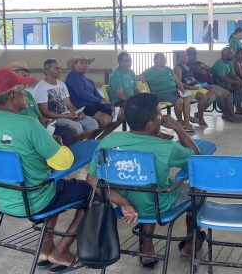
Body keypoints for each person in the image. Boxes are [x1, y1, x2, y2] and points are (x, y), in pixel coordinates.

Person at [0, 68, 91, 270]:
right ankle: (60, 250)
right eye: (22, 90)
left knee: (55, 186)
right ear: (12, 96)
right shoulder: (29, 124)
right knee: (92, 193)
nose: (26, 93)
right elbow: (63, 163)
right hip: (36, 199)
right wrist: (58, 145)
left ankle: (45, 251)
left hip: (4, 199)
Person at [87, 93, 203, 267]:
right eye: (159, 114)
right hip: (158, 204)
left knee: (146, 188)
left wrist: (123, 202)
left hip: (123, 203)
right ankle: (189, 243)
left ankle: (147, 246)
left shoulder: (108, 141)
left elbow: (91, 178)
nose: (162, 117)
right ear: (150, 125)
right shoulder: (168, 148)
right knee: (198, 192)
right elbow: (197, 158)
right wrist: (178, 128)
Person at [34, 59, 99, 145]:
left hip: (67, 114)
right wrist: (65, 116)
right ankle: (74, 148)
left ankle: (86, 145)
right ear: (47, 71)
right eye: (56, 68)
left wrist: (77, 113)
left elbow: (69, 104)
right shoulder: (41, 87)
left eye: (60, 68)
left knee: (92, 123)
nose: (59, 70)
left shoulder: (61, 84)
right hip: (54, 118)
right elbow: (45, 112)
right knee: (77, 127)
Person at [65, 54, 122, 139]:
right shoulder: (72, 75)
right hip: (83, 107)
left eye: (86, 63)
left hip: (94, 106)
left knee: (120, 116)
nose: (85, 65)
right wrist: (99, 101)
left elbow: (97, 95)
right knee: (106, 119)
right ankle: (91, 138)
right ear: (74, 65)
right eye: (82, 63)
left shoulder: (89, 81)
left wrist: (108, 103)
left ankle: (100, 138)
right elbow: (81, 93)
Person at [141, 53, 195, 132]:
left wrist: (183, 91)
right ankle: (180, 121)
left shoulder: (168, 69)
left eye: (164, 58)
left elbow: (178, 82)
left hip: (173, 91)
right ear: (155, 61)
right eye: (161, 59)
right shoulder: (150, 71)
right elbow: (138, 77)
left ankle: (186, 122)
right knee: (179, 100)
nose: (164, 60)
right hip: (160, 94)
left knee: (186, 97)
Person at [187, 47, 241, 122]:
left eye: (195, 54)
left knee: (227, 94)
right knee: (222, 96)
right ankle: (229, 115)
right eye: (191, 55)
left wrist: (204, 68)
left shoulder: (198, 62)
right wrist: (204, 83)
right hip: (203, 86)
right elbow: (195, 80)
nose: (194, 56)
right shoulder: (188, 66)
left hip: (210, 84)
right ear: (187, 56)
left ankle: (230, 114)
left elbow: (209, 69)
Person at [174, 51, 216, 127]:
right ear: (178, 59)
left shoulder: (188, 67)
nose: (185, 57)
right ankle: (201, 118)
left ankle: (198, 114)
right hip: (186, 89)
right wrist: (192, 87)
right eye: (182, 56)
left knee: (212, 95)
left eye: (185, 55)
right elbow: (179, 83)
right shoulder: (178, 67)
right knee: (203, 97)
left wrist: (204, 85)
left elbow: (194, 80)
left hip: (194, 87)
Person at [211, 48, 242, 121]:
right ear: (224, 55)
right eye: (230, 53)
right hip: (217, 84)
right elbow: (223, 78)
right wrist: (234, 82)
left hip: (225, 83)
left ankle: (238, 108)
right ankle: (229, 114)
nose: (233, 54)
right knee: (228, 94)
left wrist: (239, 81)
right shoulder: (219, 63)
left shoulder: (229, 62)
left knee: (238, 86)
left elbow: (233, 75)